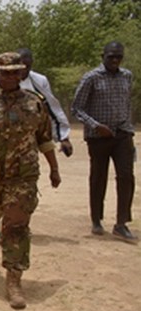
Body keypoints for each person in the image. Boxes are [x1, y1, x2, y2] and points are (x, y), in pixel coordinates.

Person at [0, 52, 61, 309]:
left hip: (23, 176)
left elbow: (45, 139)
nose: (10, 76)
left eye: (15, 72)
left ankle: (14, 280)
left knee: (17, 226)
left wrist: (54, 168)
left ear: (22, 73)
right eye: (5, 72)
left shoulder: (35, 103)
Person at [71, 41, 137, 244]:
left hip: (122, 134)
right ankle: (96, 220)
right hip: (98, 137)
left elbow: (126, 103)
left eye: (118, 57)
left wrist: (128, 128)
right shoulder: (91, 78)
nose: (115, 60)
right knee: (98, 177)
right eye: (111, 57)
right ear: (103, 56)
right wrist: (96, 125)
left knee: (126, 177)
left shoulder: (126, 76)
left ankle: (121, 223)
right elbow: (77, 108)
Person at [0, 48, 73, 157]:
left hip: (27, 139)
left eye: (27, 67)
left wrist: (63, 137)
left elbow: (52, 110)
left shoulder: (39, 82)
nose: (24, 71)